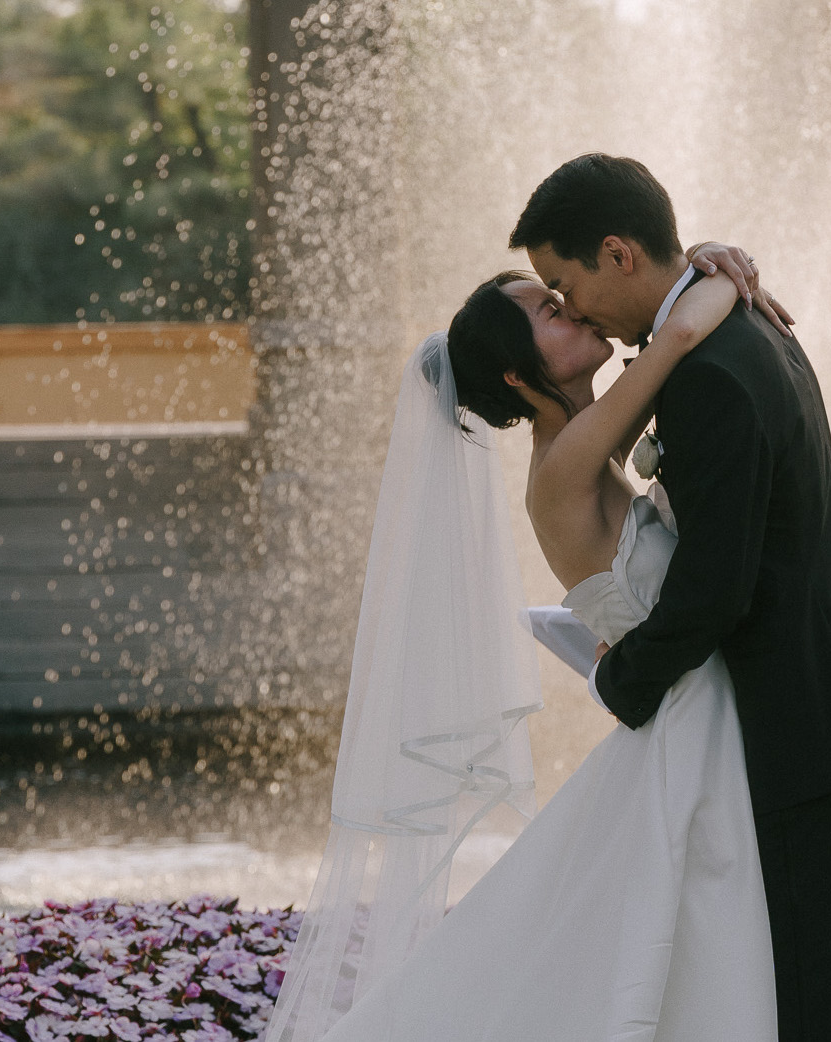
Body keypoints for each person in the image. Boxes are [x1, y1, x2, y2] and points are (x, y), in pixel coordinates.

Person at [262, 239, 793, 1042]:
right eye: (550, 309)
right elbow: (678, 336)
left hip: (691, 708)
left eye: (561, 295)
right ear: (517, 375)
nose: (572, 306)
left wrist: (701, 261)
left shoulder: (584, 438)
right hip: (688, 717)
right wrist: (720, 268)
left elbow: (665, 348)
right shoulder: (565, 462)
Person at [508, 153, 831, 1042]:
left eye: (564, 281)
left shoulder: (707, 369)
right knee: (803, 988)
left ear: (618, 253)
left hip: (804, 727)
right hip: (825, 710)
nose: (569, 304)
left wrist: (617, 688)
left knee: (812, 1000)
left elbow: (713, 594)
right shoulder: (740, 324)